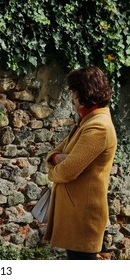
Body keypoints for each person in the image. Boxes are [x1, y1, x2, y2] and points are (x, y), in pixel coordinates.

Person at [44, 66, 117, 260]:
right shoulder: (86, 121)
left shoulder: (97, 126)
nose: (71, 97)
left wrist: (56, 167)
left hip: (83, 218)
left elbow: (67, 171)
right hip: (76, 215)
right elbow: (53, 154)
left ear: (82, 93)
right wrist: (57, 158)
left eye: (73, 91)